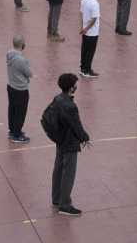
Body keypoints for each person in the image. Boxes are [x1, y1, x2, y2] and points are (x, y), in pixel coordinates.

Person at [47, 73, 91, 216]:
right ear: (72, 87)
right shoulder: (70, 105)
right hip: (70, 142)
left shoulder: (58, 99)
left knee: (58, 169)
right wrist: (85, 137)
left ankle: (56, 198)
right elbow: (76, 125)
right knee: (69, 173)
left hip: (60, 139)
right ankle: (65, 204)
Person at [6, 35, 33, 143]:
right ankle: (17, 135)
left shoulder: (9, 54)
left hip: (11, 86)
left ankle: (12, 130)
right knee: (20, 112)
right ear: (22, 44)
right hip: (20, 89)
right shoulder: (21, 60)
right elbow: (29, 73)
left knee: (12, 109)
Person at [79, 0, 101, 78]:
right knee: (90, 52)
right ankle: (87, 70)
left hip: (85, 30)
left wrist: (83, 28)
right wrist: (86, 28)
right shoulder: (95, 3)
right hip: (92, 32)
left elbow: (82, 14)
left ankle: (83, 68)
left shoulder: (84, 0)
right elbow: (94, 19)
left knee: (84, 50)